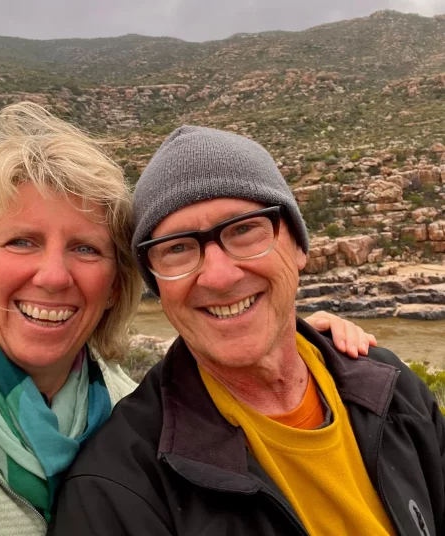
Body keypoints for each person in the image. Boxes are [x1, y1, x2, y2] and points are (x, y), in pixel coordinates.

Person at [0, 105, 373, 536]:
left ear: (116, 284)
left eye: (85, 249)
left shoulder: (131, 416)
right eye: (21, 241)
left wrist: (296, 337)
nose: (53, 276)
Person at [51, 126, 445, 536]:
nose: (219, 277)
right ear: (158, 286)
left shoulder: (391, 390)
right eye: (178, 248)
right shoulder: (119, 488)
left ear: (297, 245)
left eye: (242, 230)